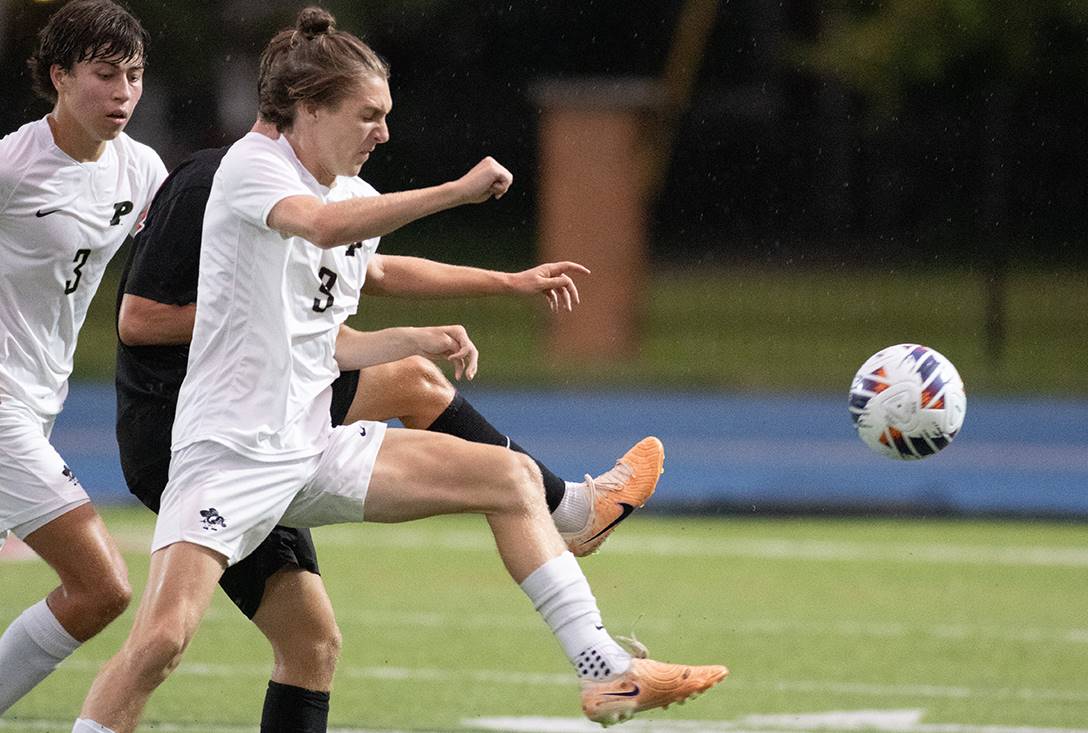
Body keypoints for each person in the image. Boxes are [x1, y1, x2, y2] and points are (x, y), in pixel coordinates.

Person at [72, 8, 727, 732]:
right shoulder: (250, 168)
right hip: (225, 457)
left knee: (508, 477)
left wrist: (456, 313)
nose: (384, 132)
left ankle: (608, 673)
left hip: (311, 446)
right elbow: (320, 229)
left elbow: (334, 331)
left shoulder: (353, 196)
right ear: (310, 109)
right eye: (369, 115)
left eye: (387, 115)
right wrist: (457, 190)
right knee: (160, 643)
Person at [0, 0, 167, 717]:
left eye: (133, 75)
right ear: (61, 77)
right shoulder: (11, 166)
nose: (123, 92)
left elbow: (189, 262)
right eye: (105, 75)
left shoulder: (142, 170)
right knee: (102, 585)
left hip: (41, 400)